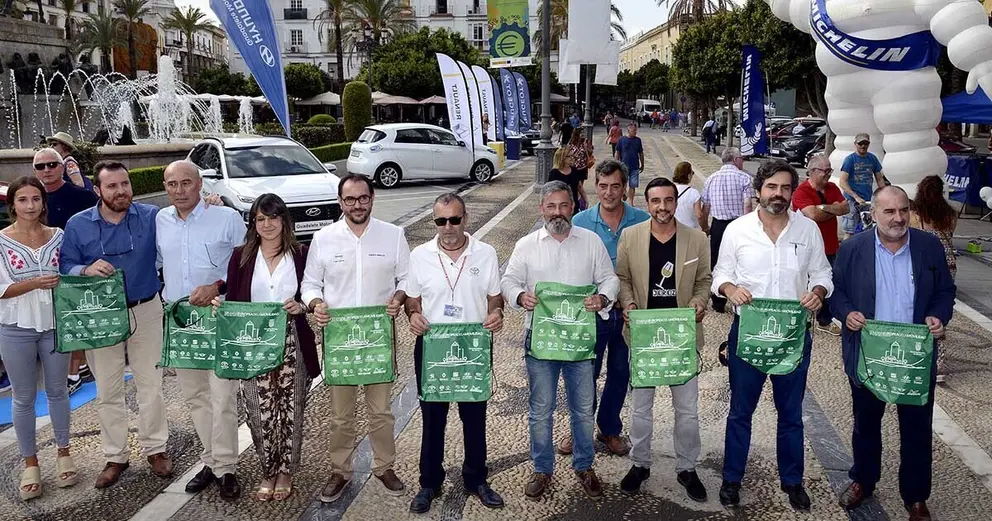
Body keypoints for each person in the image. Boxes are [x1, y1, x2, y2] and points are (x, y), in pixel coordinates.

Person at [711, 159, 833, 511]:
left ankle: (793, 481)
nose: (778, 194)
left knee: (791, 414)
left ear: (792, 192)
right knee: (740, 412)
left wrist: (818, 292)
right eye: (771, 187)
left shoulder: (807, 230)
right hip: (749, 335)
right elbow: (721, 274)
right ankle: (732, 478)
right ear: (759, 190)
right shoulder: (738, 230)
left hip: (792, 337)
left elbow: (823, 274)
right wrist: (730, 289)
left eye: (785, 188)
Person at [831, 185, 955, 521]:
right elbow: (837, 291)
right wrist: (847, 313)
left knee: (916, 429)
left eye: (903, 210)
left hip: (914, 358)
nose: (898, 218)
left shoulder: (928, 246)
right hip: (869, 355)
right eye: (889, 211)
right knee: (866, 425)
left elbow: (946, 291)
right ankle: (863, 480)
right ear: (874, 214)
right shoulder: (853, 248)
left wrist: (938, 316)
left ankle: (915, 497)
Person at [500, 181, 619, 500]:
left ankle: (584, 466)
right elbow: (508, 280)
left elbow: (609, 278)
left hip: (580, 342)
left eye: (563, 205)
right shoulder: (526, 245)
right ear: (542, 209)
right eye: (551, 206)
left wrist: (603, 298)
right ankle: (542, 469)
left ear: (573, 207)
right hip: (541, 342)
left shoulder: (591, 241)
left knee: (583, 409)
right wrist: (519, 296)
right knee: (541, 409)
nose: (557, 212)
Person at [60, 161, 171, 488]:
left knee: (151, 385)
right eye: (112, 186)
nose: (121, 191)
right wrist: (84, 270)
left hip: (146, 308)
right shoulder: (78, 224)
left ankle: (156, 449)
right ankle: (115, 456)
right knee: (107, 390)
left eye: (125, 184)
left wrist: (211, 203)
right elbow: (65, 264)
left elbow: (182, 225)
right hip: (101, 316)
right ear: (97, 190)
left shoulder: (152, 216)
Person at [303, 174, 409, 503]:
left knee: (381, 411)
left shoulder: (393, 235)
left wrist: (399, 297)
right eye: (350, 199)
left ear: (372, 198)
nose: (357, 205)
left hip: (378, 338)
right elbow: (310, 283)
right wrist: (316, 304)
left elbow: (407, 278)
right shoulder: (323, 238)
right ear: (340, 202)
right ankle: (340, 470)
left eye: (363, 198)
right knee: (340, 414)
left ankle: (384, 466)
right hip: (340, 340)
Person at [213, 193, 319, 502]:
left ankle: (286, 471)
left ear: (284, 220)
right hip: (252, 343)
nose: (267, 224)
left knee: (290, 409)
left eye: (273, 217)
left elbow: (312, 291)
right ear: (253, 224)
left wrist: (302, 306)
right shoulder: (241, 256)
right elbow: (234, 299)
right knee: (259, 412)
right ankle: (268, 470)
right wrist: (222, 307)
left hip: (291, 339)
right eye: (260, 219)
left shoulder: (301, 254)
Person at [404, 193, 505, 513]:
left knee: (474, 418)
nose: (448, 227)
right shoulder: (420, 255)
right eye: (440, 220)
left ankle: (476, 479)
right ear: (434, 222)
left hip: (472, 345)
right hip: (433, 347)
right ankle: (429, 483)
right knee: (432, 419)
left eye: (454, 219)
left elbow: (495, 296)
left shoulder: (485, 253)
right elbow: (412, 298)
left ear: (466, 218)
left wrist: (497, 312)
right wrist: (413, 314)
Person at [614, 177, 711, 500]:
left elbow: (704, 280)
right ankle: (640, 463)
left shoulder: (697, 239)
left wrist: (699, 302)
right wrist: (628, 303)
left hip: (682, 337)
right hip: (643, 336)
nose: (662, 207)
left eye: (668, 200)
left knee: (688, 410)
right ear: (647, 203)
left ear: (675, 202)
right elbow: (623, 277)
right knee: (641, 409)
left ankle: (687, 468)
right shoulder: (630, 236)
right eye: (656, 201)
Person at [156, 160, 246, 500]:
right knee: (196, 397)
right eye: (172, 184)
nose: (179, 190)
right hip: (181, 322)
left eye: (186, 183)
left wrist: (217, 286)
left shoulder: (226, 218)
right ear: (165, 187)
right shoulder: (160, 220)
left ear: (199, 184)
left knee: (222, 396)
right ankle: (211, 460)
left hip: (217, 316)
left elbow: (245, 264)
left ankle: (226, 467)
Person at [0, 176, 76, 501]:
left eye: (35, 199)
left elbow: (72, 271)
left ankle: (63, 452)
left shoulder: (58, 236)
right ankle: (30, 463)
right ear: (12, 205)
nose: (30, 206)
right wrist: (34, 283)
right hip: (15, 326)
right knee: (23, 396)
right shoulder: (1, 241)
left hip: (55, 324)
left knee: (58, 390)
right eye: (22, 200)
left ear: (43, 202)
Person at [566, 160, 649, 457]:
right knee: (585, 373)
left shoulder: (642, 220)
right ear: (595, 187)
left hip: (628, 311)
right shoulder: (580, 222)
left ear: (625, 188)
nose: (609, 192)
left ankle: (610, 428)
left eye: (615, 186)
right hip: (592, 312)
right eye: (603, 186)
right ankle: (579, 429)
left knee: (620, 372)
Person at [31, 148, 99, 394]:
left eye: (52, 164)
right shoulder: (33, 198)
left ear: (62, 167)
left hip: (76, 270)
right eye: (41, 166)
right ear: (35, 171)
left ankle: (73, 373)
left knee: (72, 323)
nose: (47, 170)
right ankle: (77, 367)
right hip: (42, 272)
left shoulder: (82, 196)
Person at [792, 154, 849, 336]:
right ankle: (816, 318)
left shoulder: (832, 187)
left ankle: (826, 318)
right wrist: (833, 208)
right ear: (813, 171)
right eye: (825, 170)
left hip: (831, 245)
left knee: (830, 282)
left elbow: (846, 208)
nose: (828, 174)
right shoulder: (801, 192)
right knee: (809, 283)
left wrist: (823, 207)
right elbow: (813, 215)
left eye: (830, 170)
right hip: (808, 247)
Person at [910, 175, 958, 383]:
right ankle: (939, 363)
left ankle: (918, 352)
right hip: (948, 263)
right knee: (939, 308)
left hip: (926, 263)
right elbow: (951, 234)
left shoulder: (916, 214)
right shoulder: (950, 214)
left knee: (921, 306)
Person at [700, 147, 754, 313]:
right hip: (738, 224)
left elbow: (705, 208)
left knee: (717, 261)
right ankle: (741, 297)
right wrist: (750, 226)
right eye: (742, 159)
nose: (743, 162)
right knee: (741, 260)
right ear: (736, 159)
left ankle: (718, 301)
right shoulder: (744, 178)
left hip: (718, 225)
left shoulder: (711, 179)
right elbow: (747, 205)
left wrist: (705, 227)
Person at [839, 133, 886, 237]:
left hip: (867, 201)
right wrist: (855, 197)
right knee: (849, 231)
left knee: (867, 229)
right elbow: (842, 182)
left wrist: (884, 194)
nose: (863, 146)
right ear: (855, 144)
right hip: (851, 201)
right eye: (860, 143)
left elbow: (879, 178)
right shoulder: (850, 160)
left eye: (866, 143)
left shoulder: (872, 158)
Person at [672, 161, 706, 232]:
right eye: (692, 173)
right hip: (690, 230)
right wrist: (704, 228)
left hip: (673, 228)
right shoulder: (694, 193)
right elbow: (699, 215)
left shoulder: (670, 190)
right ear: (688, 175)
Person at [615, 123, 644, 202]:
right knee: (622, 183)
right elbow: (617, 152)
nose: (635, 132)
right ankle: (623, 193)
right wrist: (616, 163)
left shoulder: (638, 140)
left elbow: (641, 153)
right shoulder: (621, 140)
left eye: (636, 130)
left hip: (635, 166)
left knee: (633, 184)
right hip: (623, 165)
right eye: (634, 130)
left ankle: (631, 202)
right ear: (628, 130)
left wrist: (642, 164)